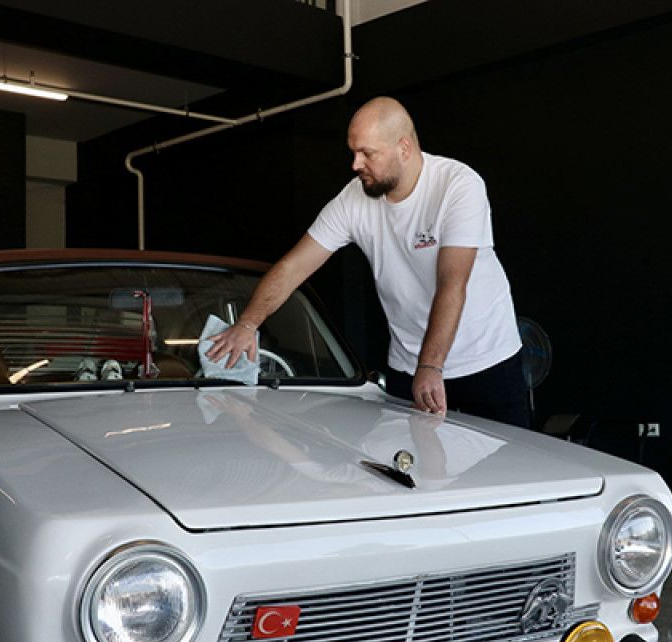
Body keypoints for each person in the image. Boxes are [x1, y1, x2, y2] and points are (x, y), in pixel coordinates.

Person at [207, 96, 528, 427]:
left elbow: (452, 284)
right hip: (409, 366)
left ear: (404, 149)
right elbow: (293, 268)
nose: (355, 164)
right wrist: (247, 324)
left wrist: (431, 366)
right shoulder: (353, 199)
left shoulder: (458, 185)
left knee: (511, 458)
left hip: (486, 361)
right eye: (353, 152)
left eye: (367, 154)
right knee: (409, 460)